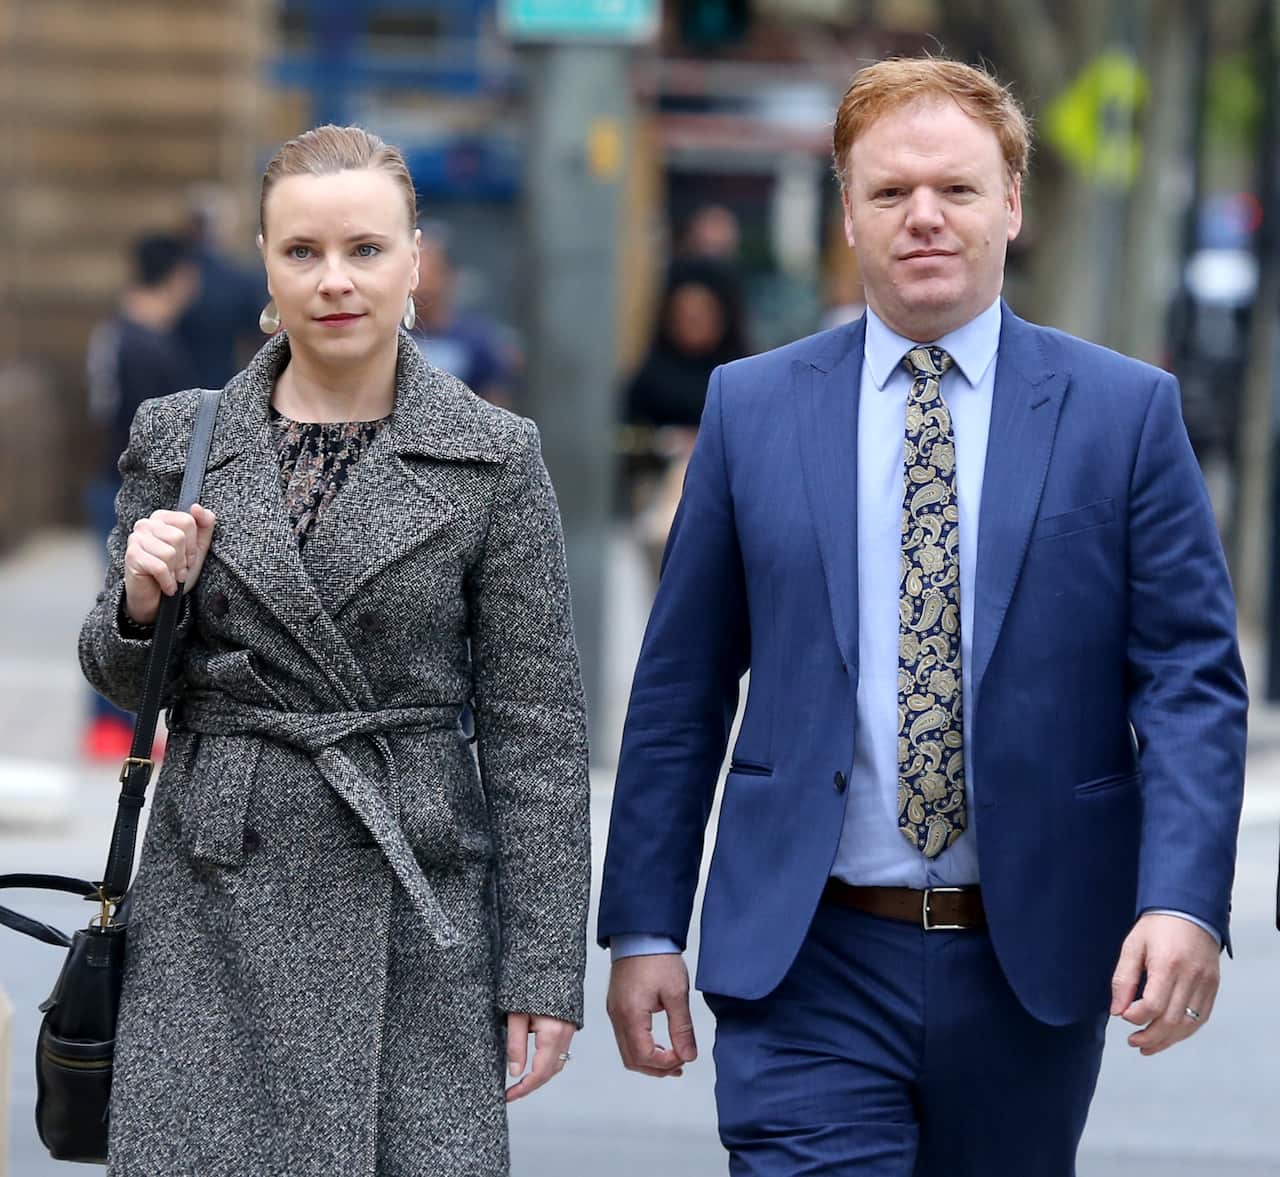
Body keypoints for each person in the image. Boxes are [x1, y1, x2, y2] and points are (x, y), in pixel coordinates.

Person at [598, 57, 1247, 1176]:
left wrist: (1182, 900)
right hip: (808, 954)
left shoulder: (1121, 413)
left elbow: (1189, 678)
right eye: (890, 193)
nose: (925, 218)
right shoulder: (750, 409)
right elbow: (680, 687)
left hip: (1028, 957)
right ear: (846, 213)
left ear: (1012, 204)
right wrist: (644, 924)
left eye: (955, 188)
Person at [79, 125, 590, 1175]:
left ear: (413, 260)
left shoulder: (494, 456)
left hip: (412, 897)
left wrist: (541, 969)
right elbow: (125, 679)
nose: (334, 281)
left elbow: (534, 729)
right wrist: (139, 595)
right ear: (265, 267)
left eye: (364, 250)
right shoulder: (179, 438)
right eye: (301, 251)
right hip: (210, 889)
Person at [83, 233, 199, 759]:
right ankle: (113, 725)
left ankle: (108, 725)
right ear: (177, 278)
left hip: (103, 476)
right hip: (130, 486)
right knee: (130, 598)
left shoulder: (112, 333)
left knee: (117, 597)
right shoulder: (151, 345)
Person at [409, 224, 520, 410]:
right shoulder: (388, 336)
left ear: (449, 276)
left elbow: (495, 403)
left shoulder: (476, 339)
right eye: (416, 271)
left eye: (431, 271)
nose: (422, 283)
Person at [175, 183, 269, 390]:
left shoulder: (172, 273)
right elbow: (260, 330)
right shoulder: (238, 278)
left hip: (170, 386)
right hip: (219, 383)